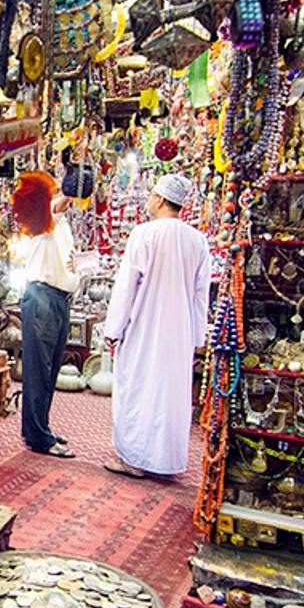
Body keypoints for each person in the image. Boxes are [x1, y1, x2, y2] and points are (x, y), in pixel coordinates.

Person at [102, 173, 211, 478]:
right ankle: (165, 461)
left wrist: (113, 330)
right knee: (168, 394)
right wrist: (196, 336)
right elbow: (202, 293)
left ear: (161, 199)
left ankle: (135, 459)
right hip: (180, 332)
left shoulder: (144, 234)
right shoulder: (197, 240)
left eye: (151, 194)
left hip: (144, 328)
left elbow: (126, 287)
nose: (148, 199)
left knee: (138, 388)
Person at [12, 171, 79, 458]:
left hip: (58, 299)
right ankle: (39, 436)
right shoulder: (43, 218)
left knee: (48, 369)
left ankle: (39, 428)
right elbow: (57, 206)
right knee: (39, 369)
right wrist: (71, 191)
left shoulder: (59, 226)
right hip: (42, 298)